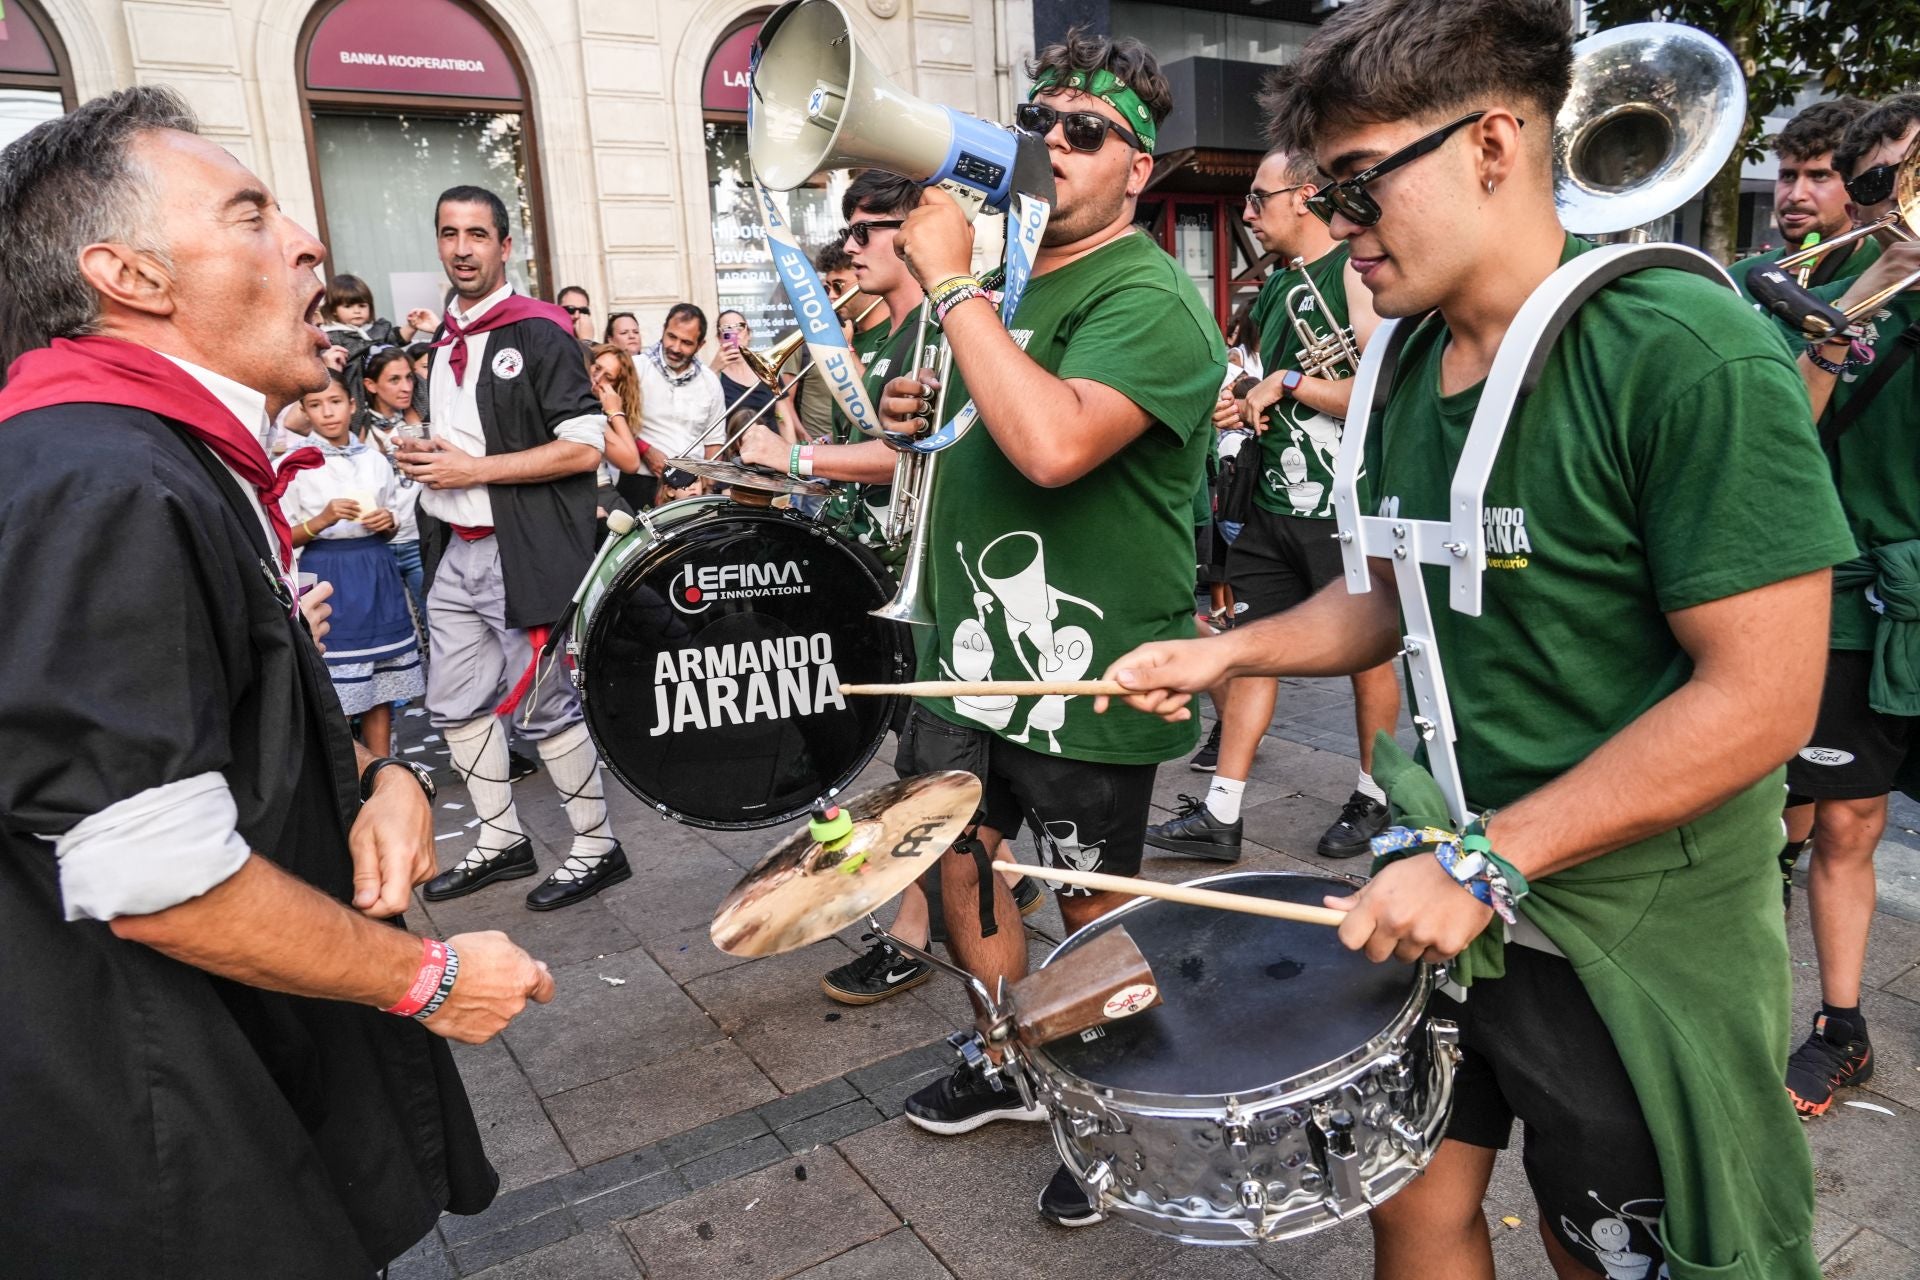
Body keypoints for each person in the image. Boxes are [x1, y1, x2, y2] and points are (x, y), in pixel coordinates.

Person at [1103, 1, 1849, 1272]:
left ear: (1494, 142)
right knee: (1414, 1201)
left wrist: (1489, 864)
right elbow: (1393, 599)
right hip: (1443, 876)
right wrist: (1229, 652)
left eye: (1357, 187)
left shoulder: (1687, 349)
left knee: (1608, 1237)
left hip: (1622, 919)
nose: (1340, 228)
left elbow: (1764, 696)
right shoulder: (1400, 365)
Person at [0, 86, 554, 1278]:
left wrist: (381, 775)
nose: (308, 240)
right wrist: (431, 975)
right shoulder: (94, 478)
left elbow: (213, 729)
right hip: (163, 1146)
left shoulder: (155, 457)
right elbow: (147, 867)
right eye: (251, 214)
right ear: (128, 275)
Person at [873, 29, 1226, 1228]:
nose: (1053, 146)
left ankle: (1114, 1108)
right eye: (1040, 121)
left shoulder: (1152, 296)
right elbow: (990, 421)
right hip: (964, 661)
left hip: (1086, 672)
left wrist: (954, 285)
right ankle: (1013, 1056)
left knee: (1092, 911)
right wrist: (919, 407)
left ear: (1140, 167)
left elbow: (1057, 440)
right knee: (962, 865)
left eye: (1087, 131)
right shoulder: (1016, 283)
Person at [1146, 140, 1402, 864]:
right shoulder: (1283, 285)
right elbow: (1281, 390)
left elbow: (1375, 396)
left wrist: (1286, 384)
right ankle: (1222, 812)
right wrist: (1246, 400)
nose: (1249, 213)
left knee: (1368, 654)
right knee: (1247, 649)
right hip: (1273, 498)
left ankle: (1375, 794)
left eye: (1260, 199)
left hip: (1338, 503)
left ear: (1305, 197)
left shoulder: (1352, 271)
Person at [397, 184, 630, 912]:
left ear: (505, 245)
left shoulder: (540, 330)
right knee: (456, 705)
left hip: (520, 549)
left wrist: (474, 470)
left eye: (476, 234)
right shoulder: (443, 338)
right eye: (448, 233)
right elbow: (471, 440)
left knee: (541, 705)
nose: (461, 248)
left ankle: (598, 848)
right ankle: (501, 840)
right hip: (453, 549)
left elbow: (584, 448)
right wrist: (430, 454)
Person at [1779, 94, 1920, 1118]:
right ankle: (1842, 1024)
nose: (1902, 199)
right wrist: (1866, 294)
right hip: (1855, 597)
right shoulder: (1822, 281)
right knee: (1846, 821)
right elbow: (1779, 436)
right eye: (1881, 182)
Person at [283, 371, 426, 756]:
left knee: (381, 686)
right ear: (304, 411)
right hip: (330, 573)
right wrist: (321, 521)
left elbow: (394, 517)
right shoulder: (294, 464)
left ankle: (382, 771)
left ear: (352, 406)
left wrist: (388, 522)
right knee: (338, 689)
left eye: (334, 402)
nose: (327, 412)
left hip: (376, 567)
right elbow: (280, 537)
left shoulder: (375, 460)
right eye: (315, 404)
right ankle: (346, 781)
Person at [1729, 98, 1878, 300]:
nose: (1796, 195)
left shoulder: (1891, 269)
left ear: (1856, 185)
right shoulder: (1736, 279)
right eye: (1788, 176)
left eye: (1819, 176)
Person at [358, 347, 428, 625]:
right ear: (370, 385)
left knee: (434, 625)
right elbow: (295, 421)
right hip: (376, 541)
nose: (406, 387)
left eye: (409, 378)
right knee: (392, 624)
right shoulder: (355, 427)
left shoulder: (415, 424)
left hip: (417, 538)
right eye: (394, 380)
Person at [794, 240, 880, 443]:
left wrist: (847, 351)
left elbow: (877, 411)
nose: (831, 296)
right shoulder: (848, 332)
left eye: (839, 286)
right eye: (828, 288)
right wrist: (828, 440)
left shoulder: (890, 333)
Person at [634, 301, 726, 473]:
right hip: (642, 480)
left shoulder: (710, 382)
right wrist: (645, 450)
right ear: (663, 330)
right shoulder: (636, 369)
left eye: (686, 342)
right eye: (672, 337)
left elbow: (714, 440)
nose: (676, 348)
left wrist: (708, 483)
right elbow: (614, 420)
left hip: (691, 485)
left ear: (700, 345)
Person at [712, 309, 802, 443]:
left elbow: (783, 419)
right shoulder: (714, 376)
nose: (734, 333)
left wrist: (790, 455)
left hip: (772, 452)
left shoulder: (765, 369)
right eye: (727, 328)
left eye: (740, 327)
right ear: (719, 338)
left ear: (748, 334)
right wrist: (714, 369)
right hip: (734, 455)